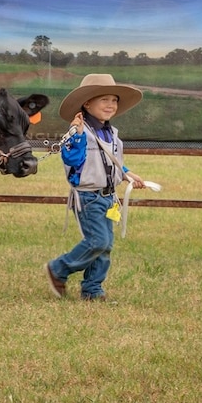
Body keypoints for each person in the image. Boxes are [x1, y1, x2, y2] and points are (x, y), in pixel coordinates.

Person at [44, 73, 146, 302]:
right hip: (88, 197)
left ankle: (92, 290)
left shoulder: (112, 134)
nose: (111, 105)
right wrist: (77, 137)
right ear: (87, 103)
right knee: (97, 242)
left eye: (114, 100)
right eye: (104, 100)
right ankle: (58, 269)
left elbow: (112, 161)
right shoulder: (78, 132)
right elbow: (72, 160)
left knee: (106, 246)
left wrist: (127, 174)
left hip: (108, 198)